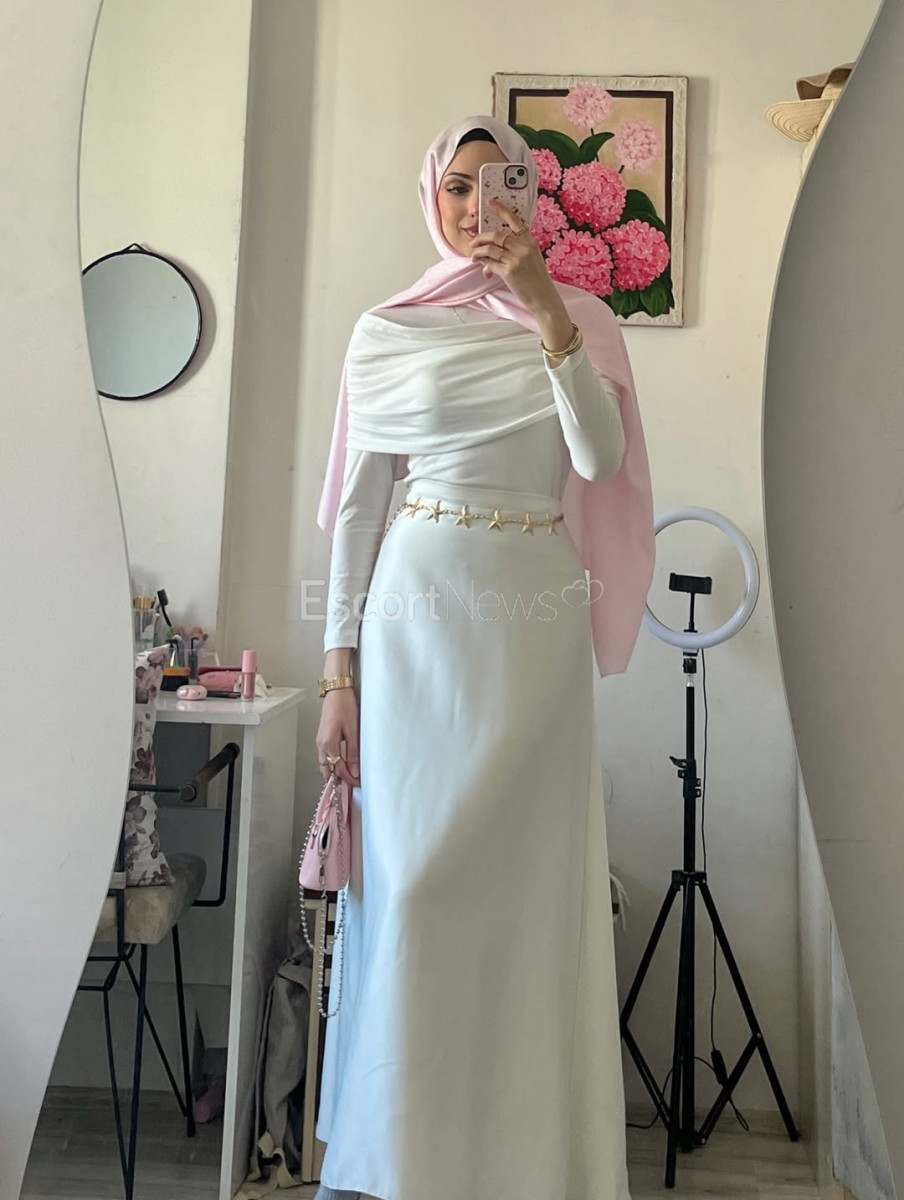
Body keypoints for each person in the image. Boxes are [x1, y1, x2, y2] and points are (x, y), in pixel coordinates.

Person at [313, 114, 654, 1200]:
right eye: (455, 187)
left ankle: (524, 1168)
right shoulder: (387, 329)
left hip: (530, 625)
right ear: (433, 197)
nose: (475, 207)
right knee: (414, 890)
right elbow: (356, 512)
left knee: (526, 900)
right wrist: (336, 675)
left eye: (497, 183)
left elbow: (597, 457)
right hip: (414, 623)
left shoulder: (583, 318)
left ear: (530, 194)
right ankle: (408, 1162)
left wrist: (545, 303)